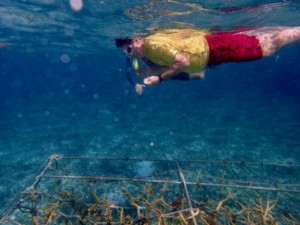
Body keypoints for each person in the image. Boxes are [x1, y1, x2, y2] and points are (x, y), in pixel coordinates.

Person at [115, 27, 300, 86]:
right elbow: (171, 62)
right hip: (212, 52)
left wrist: (160, 79)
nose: (130, 55)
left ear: (137, 40)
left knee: (267, 46)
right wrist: (150, 70)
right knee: (262, 40)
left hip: (214, 49)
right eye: (125, 53)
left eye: (129, 50)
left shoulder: (153, 46)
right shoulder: (148, 50)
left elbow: (182, 62)